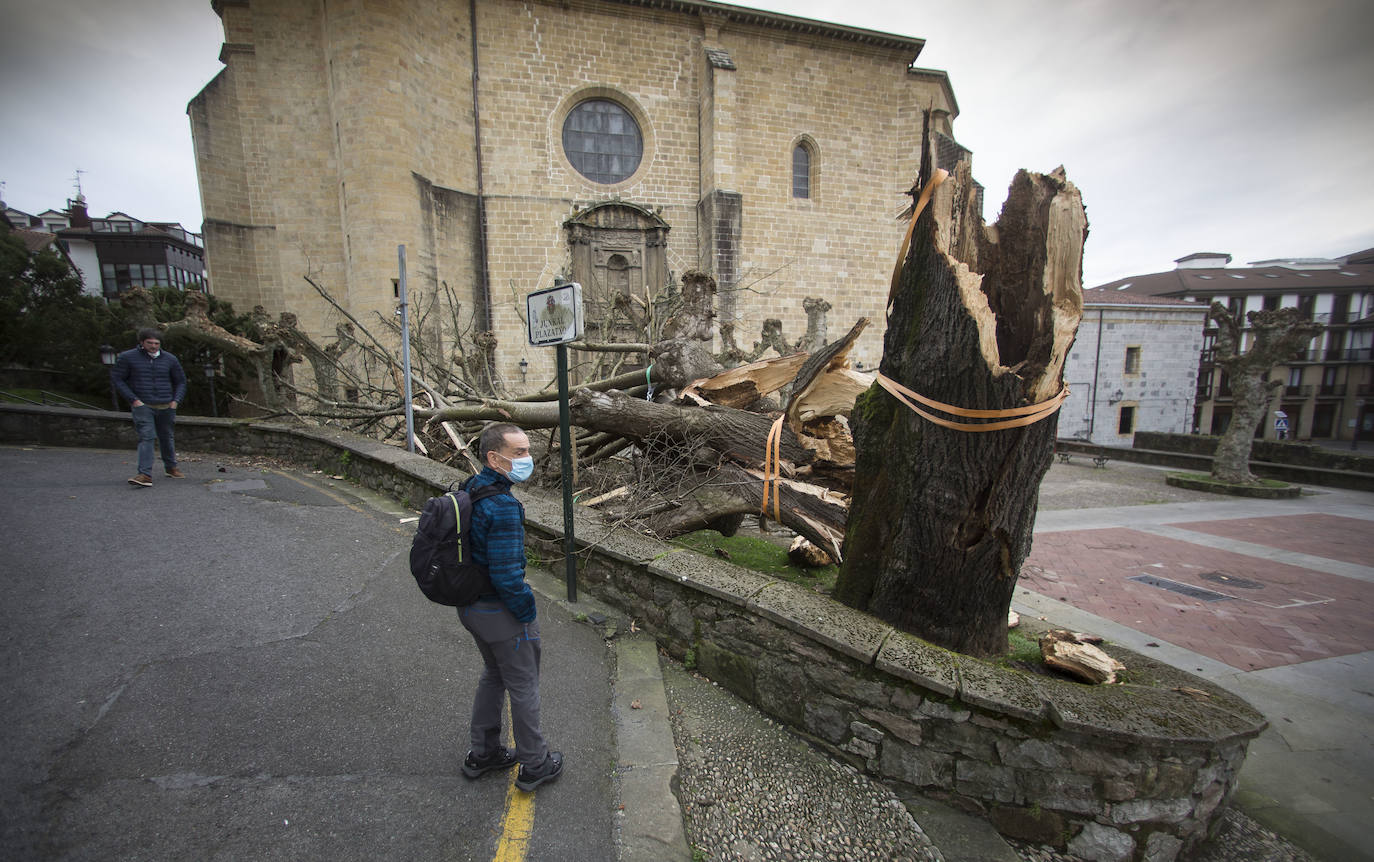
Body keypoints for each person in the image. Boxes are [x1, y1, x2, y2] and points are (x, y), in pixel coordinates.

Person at [458, 422, 563, 791]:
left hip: (470, 607)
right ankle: (535, 764)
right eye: (518, 453)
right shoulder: (502, 506)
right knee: (523, 685)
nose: (527, 459)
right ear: (493, 457)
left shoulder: (471, 488)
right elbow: (506, 577)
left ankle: (483, 753)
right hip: (499, 612)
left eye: (528, 450)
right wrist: (527, 612)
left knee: (493, 675)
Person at [111, 328, 188, 488]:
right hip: (143, 404)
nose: (153, 346)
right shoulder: (128, 357)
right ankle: (145, 474)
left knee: (166, 436)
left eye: (156, 343)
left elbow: (180, 381)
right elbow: (118, 379)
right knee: (147, 436)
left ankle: (171, 467)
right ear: (142, 343)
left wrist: (176, 400)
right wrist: (134, 400)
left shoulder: (170, 359)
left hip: (166, 404)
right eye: (150, 343)